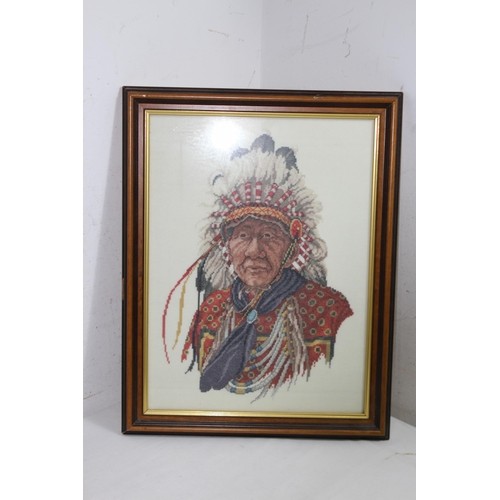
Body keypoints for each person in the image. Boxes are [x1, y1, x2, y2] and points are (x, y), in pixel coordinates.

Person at [164, 134, 353, 400]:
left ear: (292, 248)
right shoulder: (211, 311)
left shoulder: (329, 310)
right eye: (243, 235)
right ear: (227, 246)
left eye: (269, 235)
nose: (254, 251)